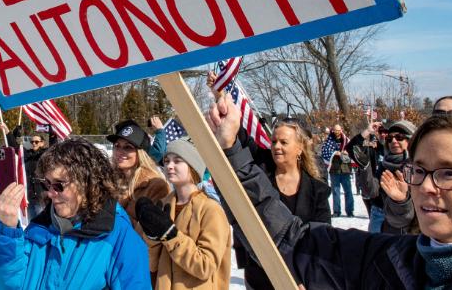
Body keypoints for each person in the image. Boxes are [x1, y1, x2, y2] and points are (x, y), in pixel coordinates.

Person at [208, 99, 452, 289]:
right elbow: (289, 239)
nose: (426, 186)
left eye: (449, 174)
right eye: (420, 171)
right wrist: (231, 153)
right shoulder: (390, 260)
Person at [0, 137, 151, 290]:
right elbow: (8, 284)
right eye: (47, 184)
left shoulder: (119, 236)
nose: (51, 193)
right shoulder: (40, 227)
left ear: (87, 182)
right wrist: (8, 230)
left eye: (59, 185)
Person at [234, 119, 330, 289]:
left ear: (299, 148)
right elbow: (240, 137)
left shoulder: (317, 190)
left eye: (284, 142)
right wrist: (221, 96)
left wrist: (308, 277)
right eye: (274, 142)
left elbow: (322, 238)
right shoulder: (261, 170)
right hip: (259, 274)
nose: (277, 146)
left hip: (298, 279)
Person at [136, 138, 231, 290]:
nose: (169, 166)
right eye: (166, 161)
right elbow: (150, 265)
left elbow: (205, 267)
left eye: (177, 161)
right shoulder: (162, 204)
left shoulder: (211, 210)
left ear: (193, 166)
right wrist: (151, 238)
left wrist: (171, 236)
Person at [354, 120, 416, 234]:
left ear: (410, 140)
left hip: (410, 221)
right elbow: (371, 191)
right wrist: (364, 167)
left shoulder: (418, 165)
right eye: (389, 138)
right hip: (380, 214)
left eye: (399, 137)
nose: (393, 141)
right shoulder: (385, 164)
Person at [108, 120, 169, 227]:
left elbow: (152, 231)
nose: (120, 151)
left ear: (141, 153)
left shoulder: (155, 185)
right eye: (117, 145)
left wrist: (113, 215)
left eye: (128, 147)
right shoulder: (109, 179)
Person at [320, 123, 354, 216]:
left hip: (345, 168)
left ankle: (350, 211)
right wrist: (335, 153)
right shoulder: (328, 140)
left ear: (341, 130)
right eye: (335, 130)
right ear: (333, 130)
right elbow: (324, 151)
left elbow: (353, 150)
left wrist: (347, 152)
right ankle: (336, 211)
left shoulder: (346, 140)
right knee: (335, 191)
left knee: (348, 191)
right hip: (334, 169)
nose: (337, 132)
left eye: (339, 130)